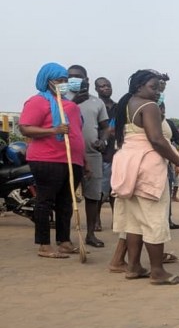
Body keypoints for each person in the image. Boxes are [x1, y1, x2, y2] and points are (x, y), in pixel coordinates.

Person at [111, 69, 179, 284]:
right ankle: (158, 271)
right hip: (147, 164)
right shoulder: (149, 106)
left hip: (127, 164)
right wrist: (177, 160)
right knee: (154, 219)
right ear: (139, 86)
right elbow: (157, 139)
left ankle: (133, 266)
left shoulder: (126, 104)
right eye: (153, 87)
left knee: (134, 221)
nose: (156, 93)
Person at [18, 62, 86, 259]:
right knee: (45, 202)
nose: (63, 83)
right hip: (47, 159)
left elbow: (77, 132)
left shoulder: (69, 103)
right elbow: (25, 128)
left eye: (66, 80)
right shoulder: (37, 102)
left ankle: (64, 241)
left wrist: (84, 160)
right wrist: (53, 131)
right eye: (59, 80)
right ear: (47, 81)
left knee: (66, 202)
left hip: (72, 160)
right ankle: (44, 245)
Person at [66, 65, 110, 248]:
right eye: (70, 77)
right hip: (68, 155)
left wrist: (103, 140)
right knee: (66, 197)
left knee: (93, 196)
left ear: (87, 80)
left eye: (78, 76)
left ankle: (90, 234)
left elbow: (105, 127)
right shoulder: (61, 99)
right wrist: (75, 101)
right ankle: (65, 238)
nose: (74, 79)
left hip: (92, 154)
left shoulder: (97, 103)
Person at [95, 76, 117, 232]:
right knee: (99, 191)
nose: (105, 88)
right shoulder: (93, 106)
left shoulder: (117, 107)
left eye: (108, 85)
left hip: (116, 153)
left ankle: (117, 220)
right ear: (96, 89)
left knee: (116, 191)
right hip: (99, 153)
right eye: (102, 86)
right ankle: (96, 220)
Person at [161, 102, 179, 230]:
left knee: (166, 192)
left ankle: (167, 219)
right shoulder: (165, 123)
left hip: (166, 162)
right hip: (160, 161)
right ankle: (165, 220)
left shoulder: (168, 123)